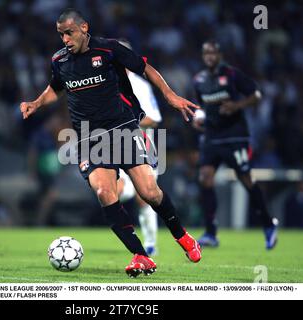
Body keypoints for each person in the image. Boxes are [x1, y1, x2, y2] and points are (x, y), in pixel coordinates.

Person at [20, 8, 201, 278]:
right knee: (105, 193)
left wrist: (171, 96)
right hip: (89, 138)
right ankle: (141, 255)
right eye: (61, 35)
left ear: (84, 28)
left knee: (149, 193)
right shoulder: (60, 60)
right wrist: (36, 102)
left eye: (69, 33)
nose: (65, 40)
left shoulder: (108, 49)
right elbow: (55, 88)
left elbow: (146, 68)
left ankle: (183, 237)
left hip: (122, 129)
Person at [192, 40, 278, 250]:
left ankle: (268, 223)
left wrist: (237, 105)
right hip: (212, 137)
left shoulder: (231, 74)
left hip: (234, 137)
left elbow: (256, 95)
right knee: (205, 178)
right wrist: (197, 118)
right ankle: (211, 233)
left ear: (220, 55)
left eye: (213, 52)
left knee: (246, 180)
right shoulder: (199, 80)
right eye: (206, 53)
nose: (210, 56)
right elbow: (201, 107)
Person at [116, 40, 163, 256]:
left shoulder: (140, 85)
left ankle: (151, 242)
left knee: (144, 196)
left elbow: (154, 119)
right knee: (112, 192)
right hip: (116, 147)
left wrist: (126, 120)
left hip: (145, 146)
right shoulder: (108, 83)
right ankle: (130, 239)